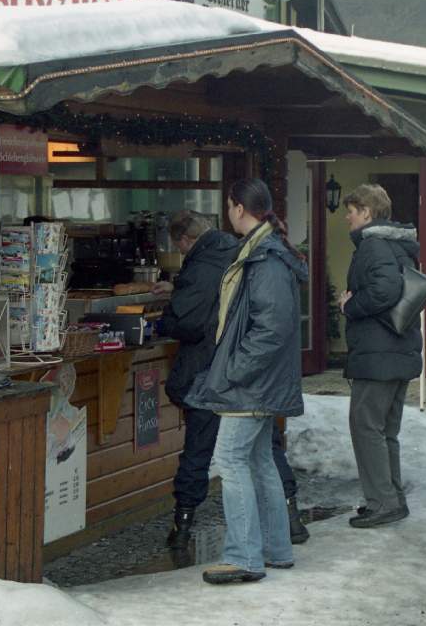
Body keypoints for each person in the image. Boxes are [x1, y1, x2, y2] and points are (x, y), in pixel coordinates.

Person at [159, 212, 310, 550]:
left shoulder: (200, 265)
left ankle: (184, 526)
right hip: (248, 374)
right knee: (266, 449)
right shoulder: (244, 252)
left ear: (184, 241)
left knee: (203, 449)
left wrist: (162, 323)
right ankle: (290, 520)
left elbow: (190, 322)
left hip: (210, 370)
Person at [185, 179, 306, 584]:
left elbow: (272, 328)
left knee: (232, 459)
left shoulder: (266, 258)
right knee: (259, 459)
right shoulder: (264, 250)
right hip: (260, 379)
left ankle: (244, 556)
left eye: (229, 206)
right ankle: (276, 549)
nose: (228, 213)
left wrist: (235, 369)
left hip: (252, 381)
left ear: (239, 208)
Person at [338, 183, 423, 529]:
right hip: (397, 350)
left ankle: (382, 502)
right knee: (385, 430)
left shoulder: (372, 245)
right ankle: (392, 498)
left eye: (352, 210)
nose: (347, 217)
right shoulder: (397, 243)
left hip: (378, 353)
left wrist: (350, 305)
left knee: (366, 426)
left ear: (367, 213)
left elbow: (385, 289)